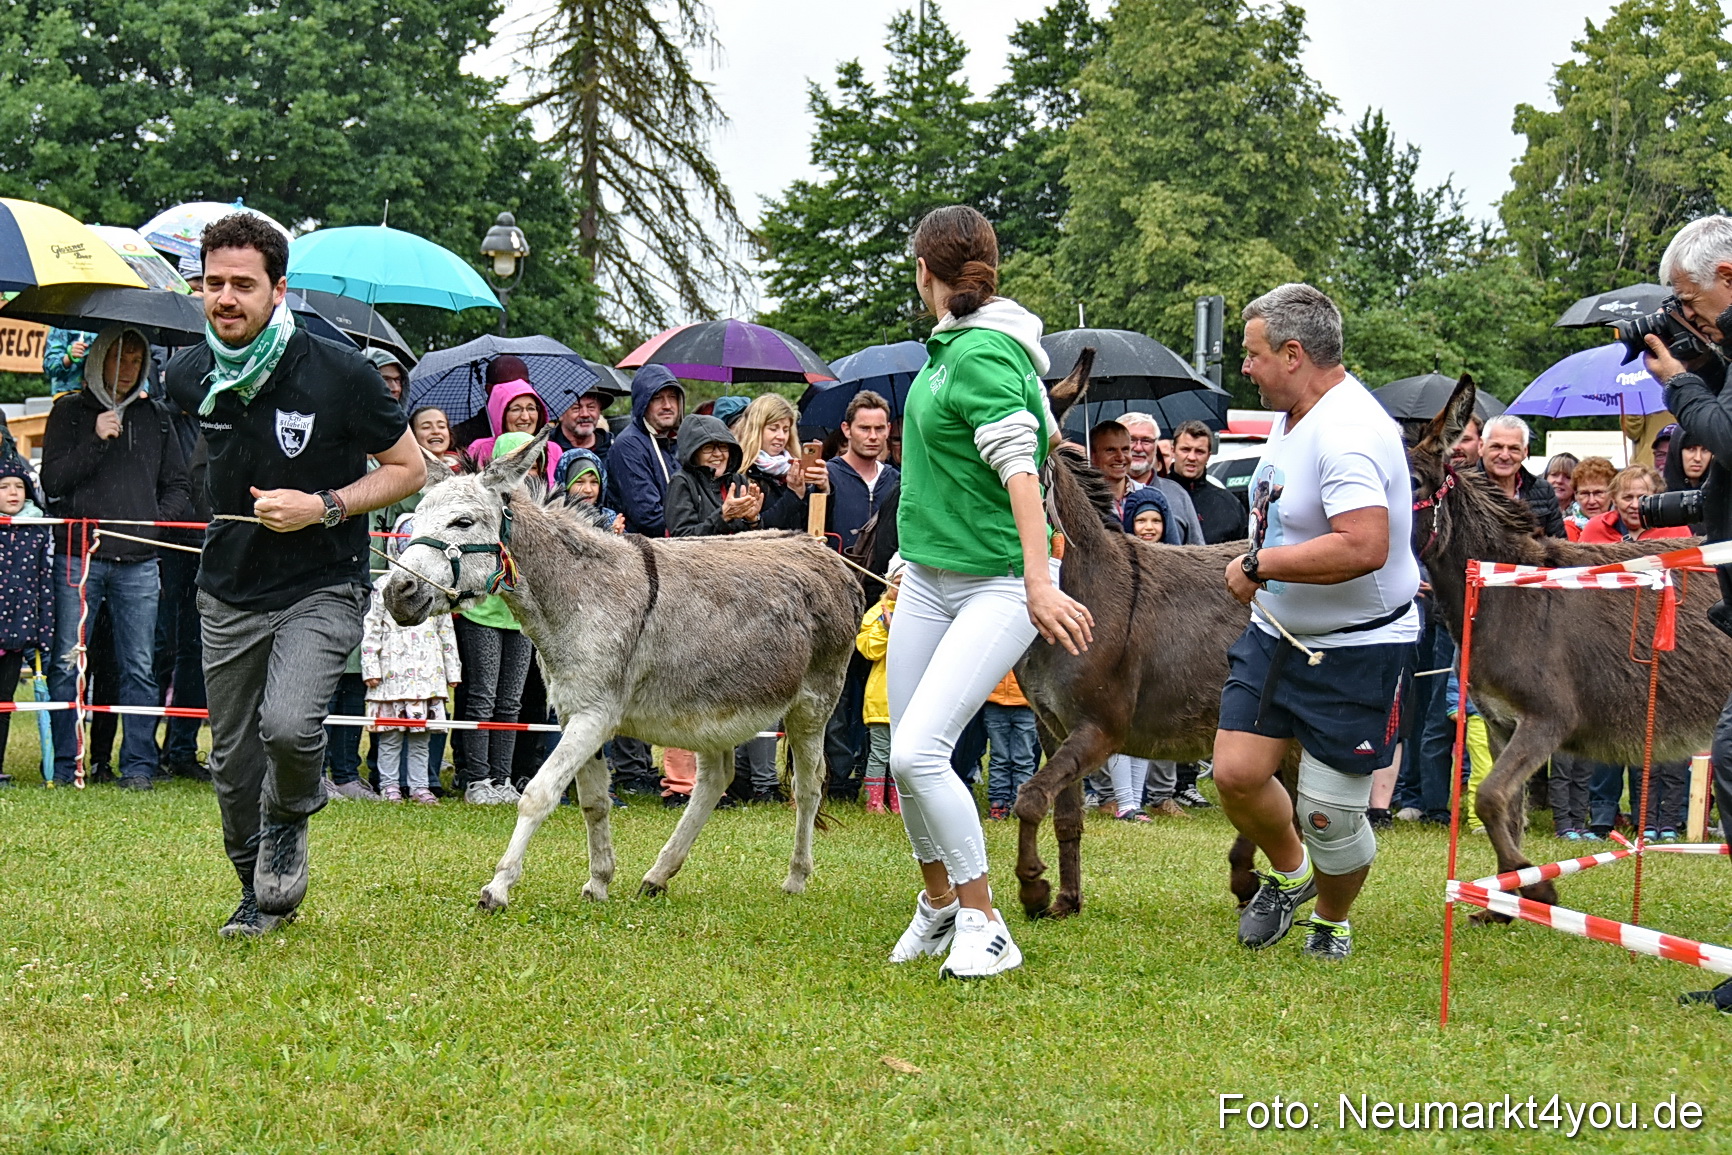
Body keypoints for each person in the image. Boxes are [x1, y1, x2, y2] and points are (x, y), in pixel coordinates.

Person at [164, 212, 422, 937]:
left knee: (287, 724)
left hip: (323, 583)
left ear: (279, 290)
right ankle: (255, 889)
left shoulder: (342, 374)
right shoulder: (189, 373)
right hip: (227, 590)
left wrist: (325, 504)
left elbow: (410, 467)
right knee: (234, 761)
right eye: (213, 283)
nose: (225, 297)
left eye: (243, 284)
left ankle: (291, 817)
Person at [884, 204, 1093, 980]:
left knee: (919, 750)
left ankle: (986, 919)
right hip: (931, 578)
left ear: (925, 274)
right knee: (907, 759)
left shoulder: (981, 355)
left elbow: (1019, 469)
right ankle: (939, 905)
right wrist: (911, 552)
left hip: (998, 585)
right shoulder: (949, 351)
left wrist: (1039, 580)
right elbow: (948, 467)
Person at [1216, 283, 1418, 962]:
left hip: (1355, 648)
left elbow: (1365, 545)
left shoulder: (1350, 431)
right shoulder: (1295, 410)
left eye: (1253, 354)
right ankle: (1293, 871)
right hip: (1276, 632)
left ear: (1294, 353)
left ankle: (1332, 917)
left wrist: (1261, 563)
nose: (1246, 367)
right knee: (1235, 772)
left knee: (1331, 814)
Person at [40, 324, 193, 789]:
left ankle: (139, 768)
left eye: (135, 360)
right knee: (69, 663)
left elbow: (179, 486)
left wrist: (151, 524)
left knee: (140, 667)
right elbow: (52, 484)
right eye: (118, 358)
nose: (127, 369)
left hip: (141, 561)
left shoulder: (157, 417)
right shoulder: (68, 412)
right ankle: (68, 767)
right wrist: (96, 437)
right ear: (97, 360)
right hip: (79, 557)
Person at [824, 390, 900, 800]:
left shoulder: (899, 480)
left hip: (886, 597)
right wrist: (811, 494)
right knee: (838, 690)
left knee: (879, 691)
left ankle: (876, 775)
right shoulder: (829, 475)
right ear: (846, 430)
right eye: (864, 428)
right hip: (837, 597)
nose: (872, 436)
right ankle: (836, 776)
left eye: (879, 428)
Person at [360, 535, 461, 804]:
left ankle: (420, 786)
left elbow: (446, 633)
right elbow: (370, 631)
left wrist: (453, 672)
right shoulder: (382, 587)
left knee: (421, 739)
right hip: (391, 679)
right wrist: (371, 668)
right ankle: (389, 785)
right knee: (390, 738)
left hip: (428, 679)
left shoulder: (434, 591)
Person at [0, 459, 53, 785]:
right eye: (4, 486)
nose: (13, 492)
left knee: (4, 704)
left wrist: (43, 634)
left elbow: (44, 586)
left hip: (16, 633)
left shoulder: (36, 532)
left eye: (19, 486)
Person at [607, 365, 684, 537]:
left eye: (672, 397)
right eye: (657, 398)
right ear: (643, 402)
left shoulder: (680, 441)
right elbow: (648, 518)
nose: (667, 405)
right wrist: (698, 525)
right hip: (645, 554)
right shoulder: (628, 446)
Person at [735, 393, 828, 531]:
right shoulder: (740, 473)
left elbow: (815, 526)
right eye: (773, 428)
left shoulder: (793, 468)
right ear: (755, 430)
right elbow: (758, 528)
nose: (781, 436)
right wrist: (793, 495)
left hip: (799, 550)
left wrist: (823, 490)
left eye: (785, 430)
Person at [856, 560, 903, 815]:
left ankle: (899, 802)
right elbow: (868, 649)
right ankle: (874, 802)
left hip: (911, 699)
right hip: (882, 697)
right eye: (898, 583)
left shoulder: (924, 611)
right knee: (881, 752)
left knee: (901, 755)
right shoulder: (877, 612)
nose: (904, 588)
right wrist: (887, 630)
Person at [1118, 411, 1206, 544]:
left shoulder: (1177, 494)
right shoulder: (1101, 496)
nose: (1138, 447)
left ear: (1156, 445)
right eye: (1131, 440)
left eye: (1146, 440)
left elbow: (1198, 553)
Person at [1479, 414, 1565, 537]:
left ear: (1525, 451)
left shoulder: (1543, 490)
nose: (1504, 455)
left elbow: (1560, 545)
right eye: (1496, 447)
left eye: (1514, 448)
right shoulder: (1461, 489)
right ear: (1481, 446)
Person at [1166, 420, 1247, 545]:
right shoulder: (1157, 494)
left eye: (1199, 452)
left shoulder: (1229, 504)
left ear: (1209, 456)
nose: (1192, 457)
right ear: (1173, 451)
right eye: (1185, 450)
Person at [466, 378, 560, 479]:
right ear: (500, 414)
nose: (525, 417)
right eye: (516, 410)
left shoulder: (553, 450)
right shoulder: (480, 449)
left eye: (531, 408)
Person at [1577, 465, 1692, 543]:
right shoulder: (1595, 528)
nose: (1635, 505)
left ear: (1656, 495)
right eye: (1627, 498)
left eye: (1643, 498)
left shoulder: (1677, 529)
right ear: (1614, 499)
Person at [982, 668, 1037, 822]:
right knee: (999, 757)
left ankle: (1022, 804)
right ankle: (998, 803)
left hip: (1026, 705)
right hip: (994, 703)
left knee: (1024, 758)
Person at [551, 383, 616, 456]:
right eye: (576, 408)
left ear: (599, 412)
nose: (585, 414)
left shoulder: (613, 448)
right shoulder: (547, 450)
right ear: (560, 414)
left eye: (591, 407)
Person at [1563, 457, 1616, 540]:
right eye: (1584, 493)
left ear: (1612, 494)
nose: (1591, 501)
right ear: (1575, 495)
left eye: (1598, 493)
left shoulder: (1625, 526)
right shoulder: (1566, 530)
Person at [43, 327, 97, 395]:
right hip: (68, 394)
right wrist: (69, 358)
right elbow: (50, 365)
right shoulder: (63, 326)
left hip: (103, 395)